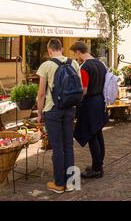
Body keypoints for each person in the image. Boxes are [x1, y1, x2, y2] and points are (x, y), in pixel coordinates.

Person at [37, 38, 81, 193]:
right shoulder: (74, 63)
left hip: (53, 110)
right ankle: (71, 183)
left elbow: (41, 94)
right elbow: (79, 87)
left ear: (50, 51)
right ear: (61, 49)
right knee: (68, 145)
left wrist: (39, 113)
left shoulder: (46, 65)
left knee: (57, 148)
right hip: (69, 108)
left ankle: (59, 184)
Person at [70, 41, 108, 179]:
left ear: (79, 52)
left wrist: (75, 99)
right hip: (100, 100)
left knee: (91, 135)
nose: (76, 57)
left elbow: (84, 90)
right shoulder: (101, 64)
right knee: (98, 133)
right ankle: (99, 164)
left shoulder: (84, 67)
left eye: (75, 54)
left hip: (90, 103)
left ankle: (97, 169)